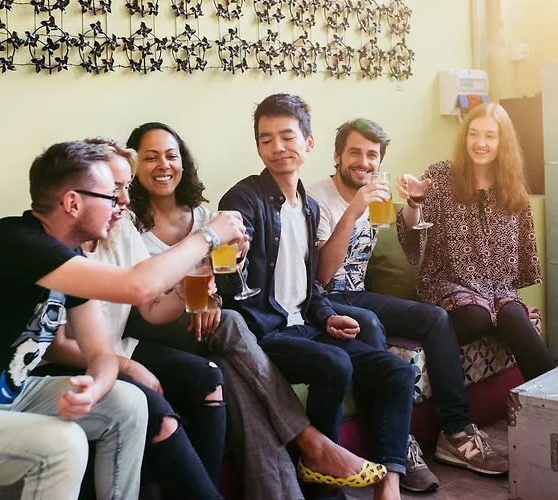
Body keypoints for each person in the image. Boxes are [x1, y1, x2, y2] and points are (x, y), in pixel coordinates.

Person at [0, 141, 246, 500]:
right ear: (73, 203)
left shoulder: (68, 257)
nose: (120, 204)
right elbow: (138, 287)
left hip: (2, 398)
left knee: (130, 403)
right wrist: (210, 235)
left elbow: (102, 354)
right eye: (110, 195)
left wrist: (95, 389)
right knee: (65, 444)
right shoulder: (15, 244)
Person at [126, 121, 380, 500]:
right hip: (154, 327)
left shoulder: (203, 216)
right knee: (231, 321)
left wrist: (216, 292)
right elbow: (142, 298)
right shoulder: (127, 223)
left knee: (232, 377)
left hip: (203, 329)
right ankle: (310, 440)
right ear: (133, 167)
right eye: (151, 157)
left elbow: (220, 281)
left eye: (171, 156)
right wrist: (207, 300)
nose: (163, 165)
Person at [217, 94, 414, 500]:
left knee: (398, 372)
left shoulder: (308, 207)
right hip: (265, 332)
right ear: (258, 147)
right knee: (334, 363)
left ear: (308, 143)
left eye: (287, 137)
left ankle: (390, 481)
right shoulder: (244, 198)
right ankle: (322, 480)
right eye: (266, 139)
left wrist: (326, 317)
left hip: (304, 326)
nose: (277, 147)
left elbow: (312, 287)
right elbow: (233, 279)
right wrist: (234, 255)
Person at [308, 118, 508, 491]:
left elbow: (411, 245)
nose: (364, 162)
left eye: (372, 156)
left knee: (435, 317)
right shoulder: (317, 198)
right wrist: (353, 210)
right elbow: (321, 274)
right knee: (369, 324)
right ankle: (397, 447)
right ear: (336, 156)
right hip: (323, 299)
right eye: (355, 153)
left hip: (358, 293)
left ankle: (455, 431)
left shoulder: (374, 195)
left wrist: (414, 202)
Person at [41, 137, 225, 500]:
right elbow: (56, 346)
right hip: (74, 360)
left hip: (115, 348)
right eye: (115, 190)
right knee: (158, 414)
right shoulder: (57, 247)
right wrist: (127, 366)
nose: (125, 200)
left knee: (208, 378)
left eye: (127, 187)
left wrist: (186, 291)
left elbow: (152, 307)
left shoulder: (121, 226)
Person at [396, 102, 555, 385]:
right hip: (447, 283)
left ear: (503, 141)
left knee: (514, 317)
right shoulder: (440, 175)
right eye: (473, 134)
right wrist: (414, 202)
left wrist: (511, 301)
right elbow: (412, 230)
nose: (480, 143)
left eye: (490, 136)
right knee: (476, 316)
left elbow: (521, 249)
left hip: (497, 288)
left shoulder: (512, 184)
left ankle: (549, 399)